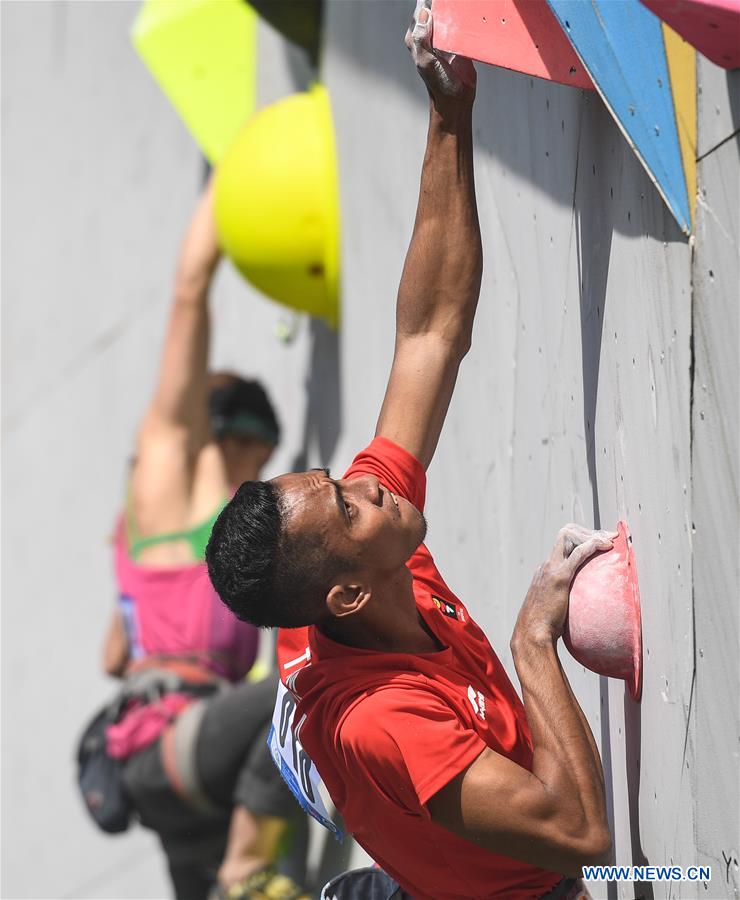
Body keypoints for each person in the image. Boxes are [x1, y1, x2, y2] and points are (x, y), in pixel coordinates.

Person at [206, 5, 613, 899]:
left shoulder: (368, 547)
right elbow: (581, 836)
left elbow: (428, 331)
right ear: (347, 590)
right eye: (348, 504)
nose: (369, 483)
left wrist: (449, 109)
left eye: (341, 482)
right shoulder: (388, 722)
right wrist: (532, 640)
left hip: (373, 792)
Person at [100, 179, 308, 900]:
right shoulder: (167, 487)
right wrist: (231, 179)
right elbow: (189, 291)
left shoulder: (161, 529)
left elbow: (113, 654)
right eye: (260, 453)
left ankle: (241, 870)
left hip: (179, 778)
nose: (263, 473)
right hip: (173, 749)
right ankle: (246, 868)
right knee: (309, 686)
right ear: (237, 435)